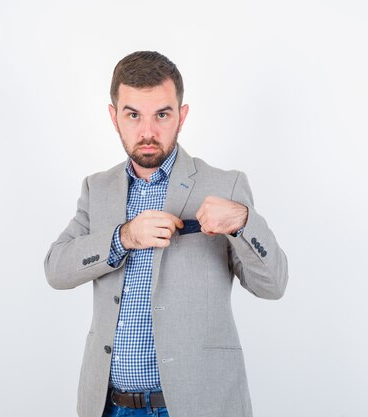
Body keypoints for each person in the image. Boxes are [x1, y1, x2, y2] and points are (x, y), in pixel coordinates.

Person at [44, 51, 288, 417]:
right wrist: (123, 236)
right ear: (114, 117)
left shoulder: (224, 184)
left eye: (162, 114)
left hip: (198, 405)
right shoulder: (98, 189)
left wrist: (242, 220)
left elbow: (273, 285)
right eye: (133, 115)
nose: (147, 132)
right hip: (109, 407)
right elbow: (56, 269)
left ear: (181, 116)